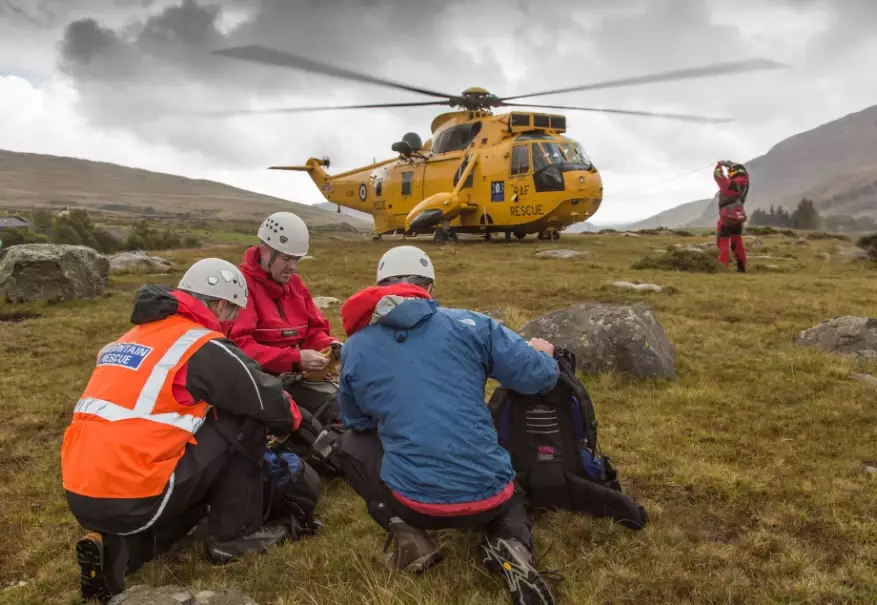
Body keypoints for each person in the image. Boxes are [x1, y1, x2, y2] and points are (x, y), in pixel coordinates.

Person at [61, 258, 320, 604]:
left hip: (81, 490)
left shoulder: (130, 338)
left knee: (189, 465)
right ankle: (232, 539)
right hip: (137, 490)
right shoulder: (199, 344)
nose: (228, 325)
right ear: (221, 304)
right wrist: (293, 423)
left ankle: (113, 551)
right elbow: (265, 399)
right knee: (239, 424)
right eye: (230, 316)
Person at [336, 245, 562, 605]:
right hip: (490, 496)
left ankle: (409, 534)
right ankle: (512, 543)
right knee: (509, 494)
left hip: (413, 502)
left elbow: (355, 420)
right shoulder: (473, 325)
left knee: (350, 442)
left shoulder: (355, 347)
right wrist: (542, 356)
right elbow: (539, 379)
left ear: (379, 288)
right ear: (429, 288)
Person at [225, 212, 343, 448]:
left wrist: (330, 346)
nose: (294, 268)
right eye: (288, 259)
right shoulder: (241, 288)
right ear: (266, 252)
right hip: (260, 384)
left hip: (294, 377)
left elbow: (313, 331)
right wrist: (297, 359)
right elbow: (240, 348)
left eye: (297, 260)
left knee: (344, 405)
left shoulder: (296, 286)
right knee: (315, 420)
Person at [714, 160, 750, 272]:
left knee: (723, 242)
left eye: (730, 171)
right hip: (738, 217)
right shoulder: (745, 183)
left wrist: (719, 166)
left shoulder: (730, 184)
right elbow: (745, 174)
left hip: (726, 218)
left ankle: (723, 267)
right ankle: (742, 267)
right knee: (737, 242)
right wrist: (730, 164)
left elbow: (717, 175)